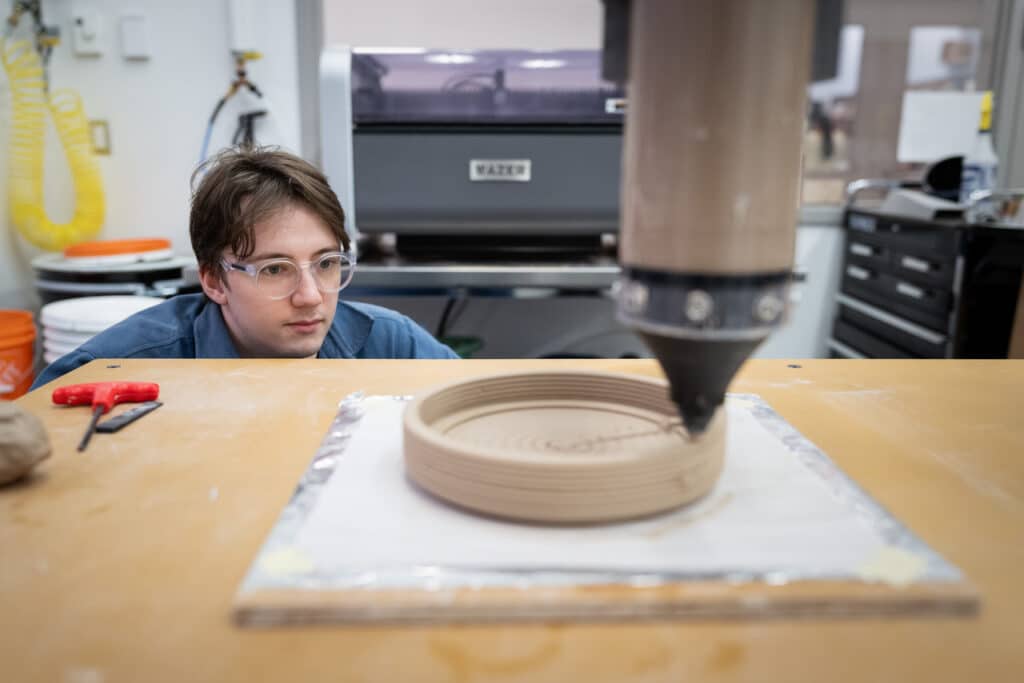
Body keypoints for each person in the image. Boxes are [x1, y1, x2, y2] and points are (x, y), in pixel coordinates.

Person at [31, 147, 458, 389]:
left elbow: (480, 403)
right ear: (214, 280)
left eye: (327, 264)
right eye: (275, 269)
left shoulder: (386, 342)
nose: (311, 296)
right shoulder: (122, 366)